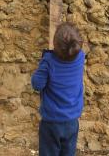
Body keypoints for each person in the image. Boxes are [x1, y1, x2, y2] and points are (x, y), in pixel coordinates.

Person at [31, 22, 85, 156]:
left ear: (54, 45)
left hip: (52, 122)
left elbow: (37, 84)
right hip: (72, 121)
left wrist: (42, 66)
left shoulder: (49, 61)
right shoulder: (80, 57)